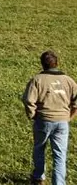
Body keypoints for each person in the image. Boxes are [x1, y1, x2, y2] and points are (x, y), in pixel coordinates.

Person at [22, 51, 77, 185]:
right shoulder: (68, 80)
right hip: (62, 121)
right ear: (57, 63)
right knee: (60, 155)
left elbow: (29, 100)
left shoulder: (37, 80)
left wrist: (33, 115)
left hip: (43, 120)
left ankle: (38, 177)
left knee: (39, 148)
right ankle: (58, 183)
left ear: (42, 64)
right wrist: (69, 116)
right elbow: (76, 102)